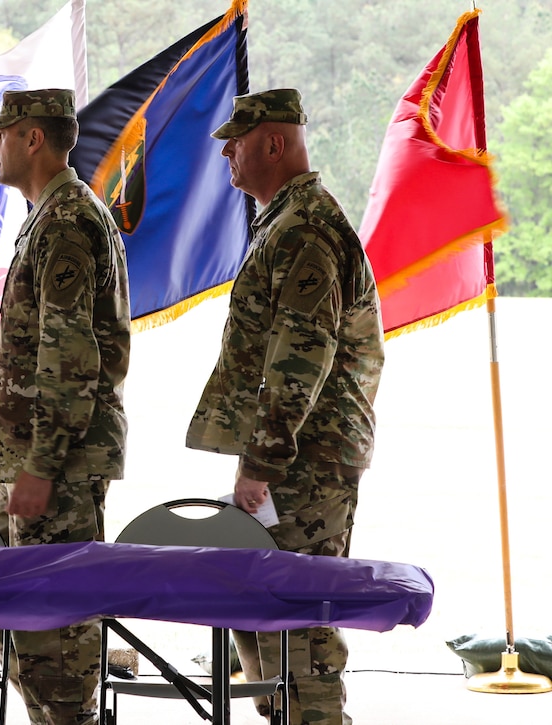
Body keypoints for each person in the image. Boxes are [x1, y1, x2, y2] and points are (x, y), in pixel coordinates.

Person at [186, 88, 385, 725]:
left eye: (235, 141)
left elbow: (300, 360)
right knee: (263, 620)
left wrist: (262, 463)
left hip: (305, 463)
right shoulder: (285, 221)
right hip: (288, 461)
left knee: (304, 629)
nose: (225, 153)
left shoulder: (307, 230)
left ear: (274, 143)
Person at [0, 88, 131, 725]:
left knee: (54, 634)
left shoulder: (67, 223)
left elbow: (71, 356)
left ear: (34, 138)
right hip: (29, 455)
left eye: (2, 132)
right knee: (9, 613)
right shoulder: (49, 216)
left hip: (54, 461)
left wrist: (44, 464)